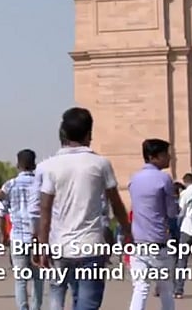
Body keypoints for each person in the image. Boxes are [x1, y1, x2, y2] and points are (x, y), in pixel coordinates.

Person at [36, 107, 131, 310]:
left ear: (63, 134)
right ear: (89, 134)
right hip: (92, 246)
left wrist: (41, 245)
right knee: (87, 304)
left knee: (57, 293)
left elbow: (44, 211)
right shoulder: (100, 164)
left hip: (59, 246)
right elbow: (116, 203)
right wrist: (128, 231)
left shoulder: (48, 166)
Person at [126, 138, 176, 310]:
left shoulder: (133, 179)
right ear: (153, 157)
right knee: (166, 289)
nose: (169, 158)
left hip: (138, 242)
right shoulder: (164, 179)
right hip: (158, 242)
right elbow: (171, 212)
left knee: (140, 288)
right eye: (165, 154)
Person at [0, 149, 44, 310]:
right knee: (38, 278)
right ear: (34, 164)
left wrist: (4, 236)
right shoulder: (41, 184)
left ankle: (23, 308)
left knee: (20, 279)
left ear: (18, 165)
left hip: (18, 238)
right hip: (37, 239)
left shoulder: (9, 185)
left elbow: (1, 213)